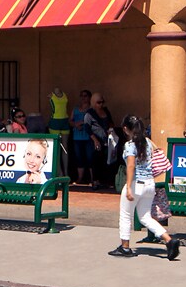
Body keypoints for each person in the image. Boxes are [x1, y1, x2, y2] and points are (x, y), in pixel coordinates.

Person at [111, 114, 179, 261]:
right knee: (145, 217)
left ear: (126, 129)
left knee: (126, 215)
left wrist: (129, 187)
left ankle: (125, 247)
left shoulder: (130, 145)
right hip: (150, 184)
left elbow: (131, 165)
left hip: (136, 183)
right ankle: (169, 240)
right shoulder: (148, 142)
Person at [85, 93, 116, 187]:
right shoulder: (89, 113)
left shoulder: (106, 111)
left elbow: (111, 122)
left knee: (106, 160)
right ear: (93, 103)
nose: (101, 104)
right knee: (95, 160)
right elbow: (87, 128)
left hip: (107, 140)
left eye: (102, 102)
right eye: (98, 102)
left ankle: (105, 181)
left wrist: (111, 129)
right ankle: (95, 180)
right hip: (95, 140)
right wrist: (95, 140)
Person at [70, 89, 95, 187]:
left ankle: (93, 178)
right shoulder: (76, 109)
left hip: (89, 137)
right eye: (81, 96)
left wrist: (83, 123)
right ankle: (80, 178)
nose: (83, 98)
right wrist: (76, 124)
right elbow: (70, 121)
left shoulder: (91, 109)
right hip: (77, 137)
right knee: (79, 158)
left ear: (89, 98)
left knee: (90, 158)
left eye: (85, 96)